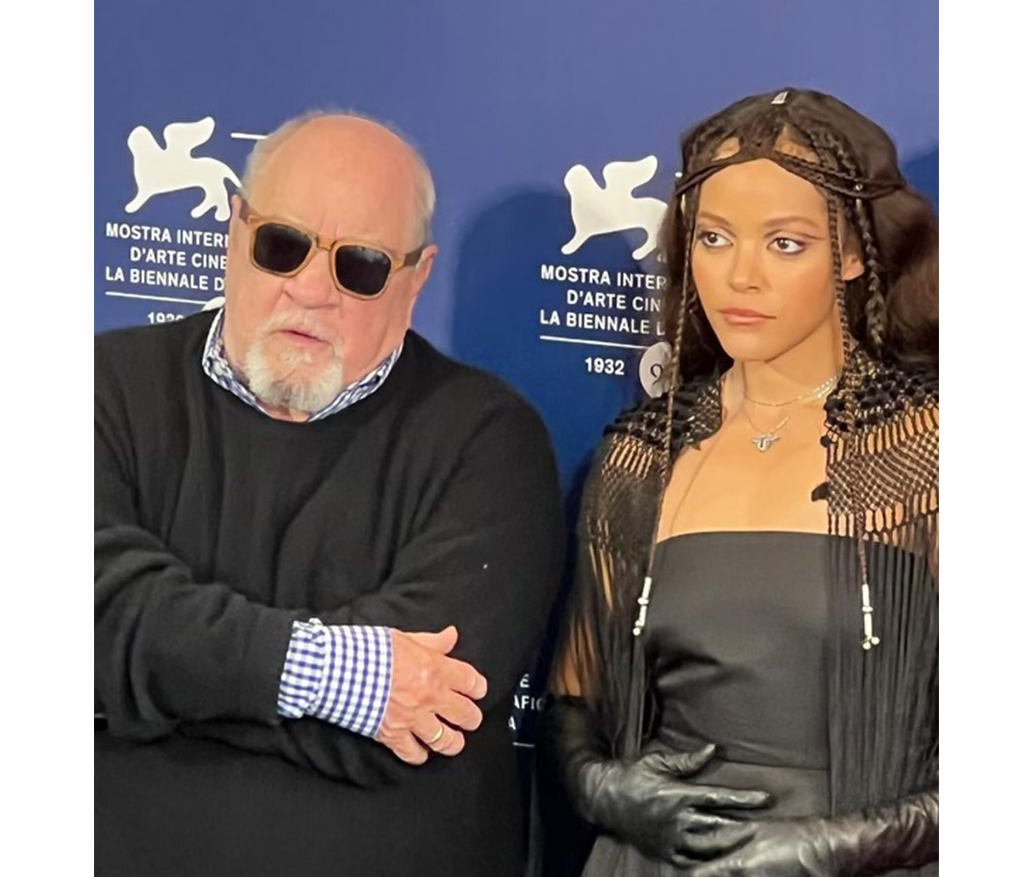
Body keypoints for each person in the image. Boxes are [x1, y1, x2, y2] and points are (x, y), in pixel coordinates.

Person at [95, 112, 566, 877]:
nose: (311, 289)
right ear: (233, 232)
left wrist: (141, 687)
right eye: (280, 245)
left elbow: (428, 718)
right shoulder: (100, 387)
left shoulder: (490, 442)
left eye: (361, 266)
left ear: (415, 279)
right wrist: (325, 675)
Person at [540, 89, 938, 876]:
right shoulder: (641, 455)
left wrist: (837, 845)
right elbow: (574, 702)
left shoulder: (935, 451)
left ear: (855, 254)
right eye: (714, 238)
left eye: (785, 244)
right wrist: (605, 789)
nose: (740, 276)